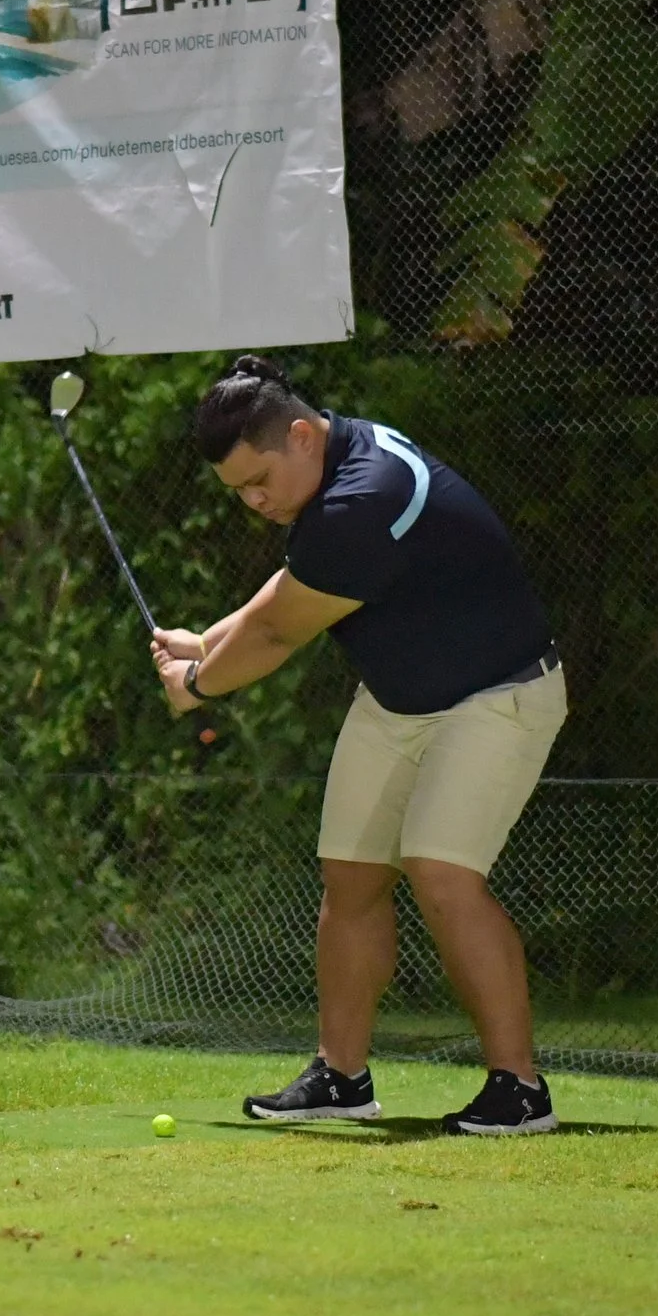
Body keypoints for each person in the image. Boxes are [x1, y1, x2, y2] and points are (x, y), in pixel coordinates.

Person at [149, 356, 566, 1136]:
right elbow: (287, 590)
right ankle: (342, 1076)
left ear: (301, 437)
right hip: (398, 701)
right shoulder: (331, 467)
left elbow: (279, 631)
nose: (253, 502)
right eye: (237, 491)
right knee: (351, 876)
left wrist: (199, 685)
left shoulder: (365, 498)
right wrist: (205, 641)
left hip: (498, 696)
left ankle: (520, 1089)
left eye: (258, 481)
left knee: (441, 874)